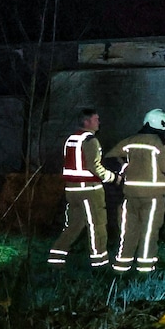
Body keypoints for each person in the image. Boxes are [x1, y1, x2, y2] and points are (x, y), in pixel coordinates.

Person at [47, 108, 119, 270]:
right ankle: (100, 264)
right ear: (86, 122)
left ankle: (55, 259)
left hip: (72, 190)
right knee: (97, 225)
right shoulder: (90, 141)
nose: (98, 122)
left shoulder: (71, 139)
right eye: (96, 119)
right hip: (90, 190)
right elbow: (94, 166)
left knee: (73, 226)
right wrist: (114, 178)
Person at [106, 109, 165, 274]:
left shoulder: (130, 141)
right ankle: (145, 270)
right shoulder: (160, 143)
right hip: (153, 197)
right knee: (149, 231)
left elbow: (110, 157)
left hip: (130, 194)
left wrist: (123, 169)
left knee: (128, 231)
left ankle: (121, 268)